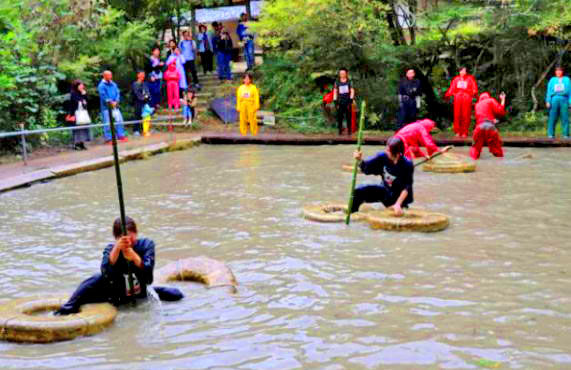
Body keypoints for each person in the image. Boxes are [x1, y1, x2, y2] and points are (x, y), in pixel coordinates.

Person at [55, 217, 184, 315]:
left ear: (136, 234)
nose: (129, 244)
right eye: (124, 241)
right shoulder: (111, 249)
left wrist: (134, 256)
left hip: (139, 291)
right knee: (95, 279)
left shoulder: (146, 245)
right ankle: (67, 308)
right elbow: (105, 273)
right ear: (116, 239)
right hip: (116, 293)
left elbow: (148, 278)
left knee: (176, 294)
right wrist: (117, 249)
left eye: (131, 240)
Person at [352, 136, 414, 216]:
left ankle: (400, 205)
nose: (386, 152)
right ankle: (353, 214)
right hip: (385, 191)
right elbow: (367, 167)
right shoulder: (382, 157)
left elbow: (406, 187)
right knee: (357, 192)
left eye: (388, 151)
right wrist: (359, 160)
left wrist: (398, 204)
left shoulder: (407, 164)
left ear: (397, 153)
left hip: (398, 197)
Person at [470, 92, 506, 160]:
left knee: (475, 150)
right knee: (498, 151)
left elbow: (481, 116)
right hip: (490, 127)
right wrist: (503, 99)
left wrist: (492, 119)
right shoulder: (490, 100)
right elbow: (500, 111)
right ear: (488, 97)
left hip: (479, 127)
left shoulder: (477, 104)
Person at [444, 67, 478, 138]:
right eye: (462, 70)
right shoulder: (456, 79)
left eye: (465, 70)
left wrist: (474, 94)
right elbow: (452, 88)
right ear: (459, 72)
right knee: (457, 114)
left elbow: (474, 88)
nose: (464, 72)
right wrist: (447, 95)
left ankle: (465, 132)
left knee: (466, 115)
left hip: (466, 97)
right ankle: (458, 131)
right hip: (458, 98)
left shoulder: (470, 78)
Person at [97, 70, 127, 143]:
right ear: (104, 76)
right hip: (106, 108)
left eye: (111, 75)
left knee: (119, 120)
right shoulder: (101, 85)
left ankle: (121, 135)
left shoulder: (113, 84)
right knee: (107, 123)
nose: (110, 77)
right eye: (109, 75)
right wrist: (110, 102)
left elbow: (117, 92)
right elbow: (103, 96)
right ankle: (109, 138)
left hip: (115, 106)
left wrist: (116, 101)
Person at [545, 65, 571, 139]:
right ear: (555, 72)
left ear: (562, 72)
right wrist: (548, 101)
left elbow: (570, 92)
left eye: (560, 70)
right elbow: (549, 91)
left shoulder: (567, 79)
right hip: (554, 99)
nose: (558, 72)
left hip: (564, 99)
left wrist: (570, 102)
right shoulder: (552, 80)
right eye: (557, 71)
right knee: (552, 117)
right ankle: (551, 134)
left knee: (565, 117)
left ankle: (566, 135)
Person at [66, 80, 92, 150]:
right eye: (80, 85)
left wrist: (84, 95)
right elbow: (75, 103)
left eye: (82, 85)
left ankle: (82, 143)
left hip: (83, 113)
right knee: (77, 129)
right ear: (76, 86)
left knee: (83, 128)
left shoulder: (83, 93)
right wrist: (71, 115)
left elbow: (86, 102)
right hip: (76, 113)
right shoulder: (73, 93)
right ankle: (76, 144)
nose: (82, 86)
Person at [333, 68, 355, 135]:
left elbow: (352, 90)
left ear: (346, 74)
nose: (342, 74)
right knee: (340, 117)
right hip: (340, 101)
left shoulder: (349, 81)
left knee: (348, 116)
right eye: (341, 73)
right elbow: (335, 91)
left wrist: (351, 100)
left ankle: (349, 131)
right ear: (339, 74)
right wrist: (335, 100)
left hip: (347, 101)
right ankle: (340, 130)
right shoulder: (337, 82)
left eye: (343, 73)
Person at [131, 71, 150, 136]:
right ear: (138, 75)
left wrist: (146, 97)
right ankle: (136, 130)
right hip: (137, 102)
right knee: (137, 116)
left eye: (144, 75)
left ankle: (144, 130)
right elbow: (136, 94)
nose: (143, 76)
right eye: (141, 74)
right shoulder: (135, 84)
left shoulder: (144, 84)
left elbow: (147, 92)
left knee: (145, 116)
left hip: (144, 103)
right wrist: (143, 97)